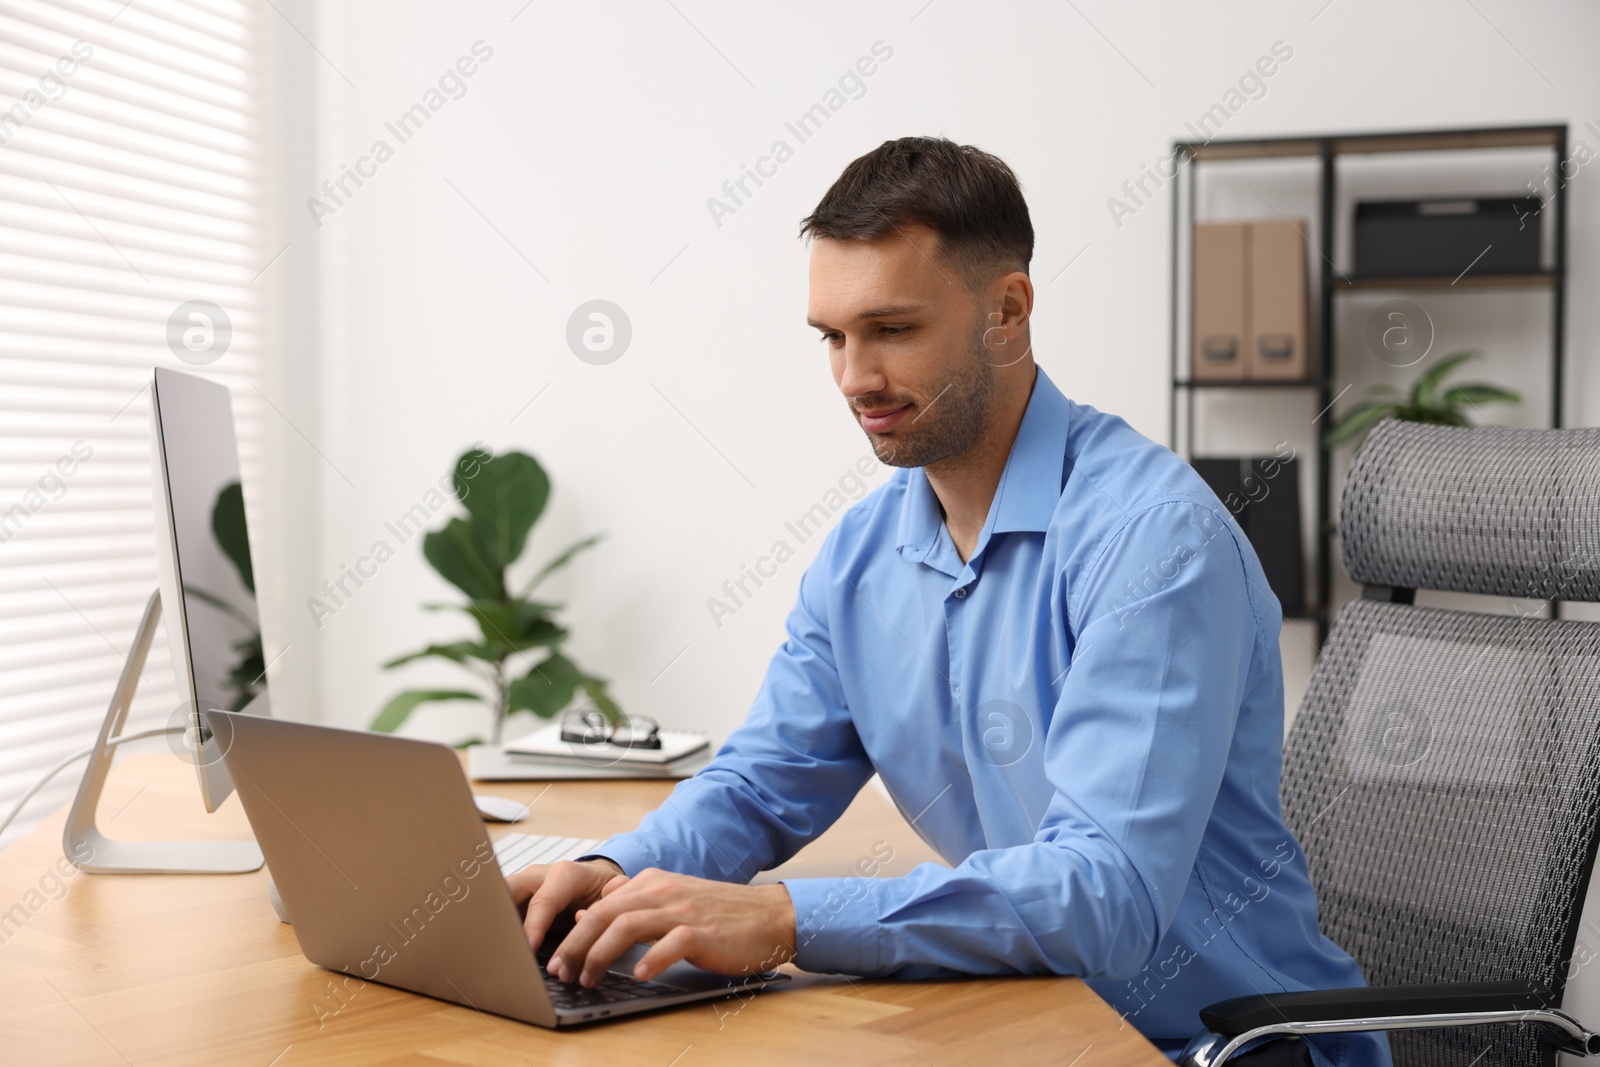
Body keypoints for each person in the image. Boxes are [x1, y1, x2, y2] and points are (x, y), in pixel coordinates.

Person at [507, 136, 1390, 1066]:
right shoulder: (862, 551)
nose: (854, 379)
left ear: (1007, 312)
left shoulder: (1154, 542)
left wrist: (781, 918)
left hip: (1221, 1048)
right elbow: (763, 782)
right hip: (1030, 1020)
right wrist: (614, 872)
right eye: (833, 338)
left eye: (891, 330)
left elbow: (1105, 896)